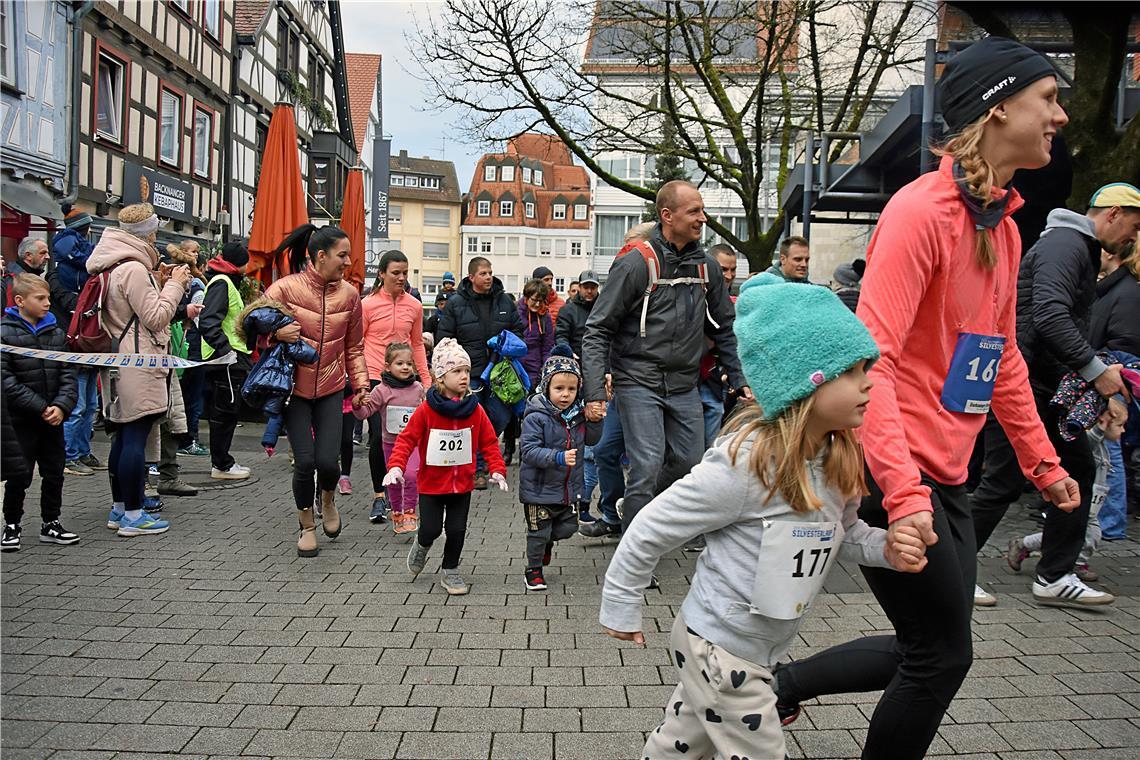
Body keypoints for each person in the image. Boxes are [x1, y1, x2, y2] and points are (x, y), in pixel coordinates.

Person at [771, 38, 1079, 759]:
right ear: (999, 108)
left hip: (949, 472)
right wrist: (905, 497)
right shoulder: (919, 213)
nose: (1060, 116)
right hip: (893, 467)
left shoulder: (1002, 227)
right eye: (1049, 99)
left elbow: (997, 364)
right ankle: (780, 684)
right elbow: (866, 363)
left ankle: (779, 684)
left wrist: (1041, 462)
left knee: (935, 648)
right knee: (942, 657)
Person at [600, 274, 926, 759]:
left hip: (752, 648)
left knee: (681, 745)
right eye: (853, 370)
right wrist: (621, 603)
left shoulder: (838, 459)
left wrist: (886, 549)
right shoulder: (746, 464)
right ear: (806, 382)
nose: (869, 381)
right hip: (720, 649)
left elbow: (845, 533)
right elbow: (652, 523)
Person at [971, 182, 1138, 606]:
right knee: (1003, 481)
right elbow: (1048, 314)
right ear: (1114, 213)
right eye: (1133, 228)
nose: (1132, 240)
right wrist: (1096, 373)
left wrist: (1094, 384)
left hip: (1036, 385)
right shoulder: (1068, 244)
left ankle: (1055, 574)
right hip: (1019, 385)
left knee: (1073, 470)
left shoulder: (1072, 246)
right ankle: (954, 572)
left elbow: (1053, 320)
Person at [581, 180, 747, 540]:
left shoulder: (707, 268)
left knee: (690, 464)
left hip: (684, 382)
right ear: (667, 216)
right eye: (694, 211)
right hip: (638, 379)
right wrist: (594, 390)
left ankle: (639, 509)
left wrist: (739, 378)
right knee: (647, 461)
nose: (703, 219)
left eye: (702, 210)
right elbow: (597, 329)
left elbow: (725, 327)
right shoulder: (636, 263)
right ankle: (635, 550)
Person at [265, 224, 369, 558]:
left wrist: (362, 385)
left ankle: (327, 498)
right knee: (305, 462)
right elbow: (252, 328)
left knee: (328, 462)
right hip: (293, 389)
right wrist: (275, 336)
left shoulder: (351, 296)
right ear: (321, 256)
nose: (348, 262)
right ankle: (307, 526)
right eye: (342, 255)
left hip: (332, 387)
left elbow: (354, 348)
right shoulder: (284, 289)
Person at [88, 203, 190, 538]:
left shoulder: (111, 263)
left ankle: (120, 508)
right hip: (139, 362)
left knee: (121, 436)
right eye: (155, 230)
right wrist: (174, 286)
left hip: (119, 360)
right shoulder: (132, 268)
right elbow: (156, 318)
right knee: (135, 437)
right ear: (147, 233)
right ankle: (133, 514)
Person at [384, 339, 508, 595]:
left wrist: (497, 469)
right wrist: (396, 466)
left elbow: (489, 440)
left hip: (462, 484)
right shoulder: (427, 410)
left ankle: (450, 570)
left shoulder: (475, 409)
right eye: (457, 371)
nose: (464, 377)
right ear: (440, 377)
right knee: (430, 528)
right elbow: (406, 439)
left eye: (466, 371)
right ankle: (422, 545)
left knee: (456, 530)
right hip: (430, 484)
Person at [579, 224, 653, 539]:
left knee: (648, 462)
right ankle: (612, 514)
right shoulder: (623, 274)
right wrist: (604, 373)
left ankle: (644, 523)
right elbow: (603, 330)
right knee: (604, 450)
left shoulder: (655, 278)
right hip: (621, 383)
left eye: (629, 242)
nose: (623, 249)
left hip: (649, 386)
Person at [1008, 397, 1128, 583]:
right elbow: (1091, 441)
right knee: (1077, 532)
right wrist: (1100, 428)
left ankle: (1071, 561)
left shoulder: (1104, 447)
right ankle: (1071, 562)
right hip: (1078, 495)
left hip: (1092, 498)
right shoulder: (1091, 441)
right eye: (1120, 425)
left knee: (1078, 531)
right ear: (1104, 422)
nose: (1123, 430)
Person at [1, 274, 80, 551]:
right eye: (41, 298)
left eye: (48, 297)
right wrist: (40, 406)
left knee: (54, 471)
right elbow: (5, 379)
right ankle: (11, 524)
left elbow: (69, 372)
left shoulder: (56, 333)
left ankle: (51, 522)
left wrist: (61, 406)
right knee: (19, 474)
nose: (48, 303)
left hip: (53, 419)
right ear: (20, 301)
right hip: (20, 420)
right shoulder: (4, 333)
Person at [435, 256, 524, 487]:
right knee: (472, 418)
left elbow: (518, 330)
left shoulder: (504, 301)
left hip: (500, 372)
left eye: (490, 272)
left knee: (501, 416)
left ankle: (483, 454)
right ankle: (477, 468)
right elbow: (444, 337)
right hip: (470, 372)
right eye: (483, 273)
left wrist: (507, 344)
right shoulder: (456, 303)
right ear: (471, 276)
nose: (488, 277)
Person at [519, 346, 602, 590]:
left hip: (567, 489)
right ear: (546, 387)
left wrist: (596, 419)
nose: (565, 395)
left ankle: (546, 542)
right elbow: (528, 451)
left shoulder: (577, 415)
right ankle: (533, 570)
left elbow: (593, 439)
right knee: (537, 533)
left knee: (568, 528)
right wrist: (557, 457)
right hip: (538, 489)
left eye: (571, 389)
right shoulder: (536, 415)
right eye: (559, 388)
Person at [361, 251, 432, 522]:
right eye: (395, 273)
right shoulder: (367, 305)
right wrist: (359, 380)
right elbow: (358, 343)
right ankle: (380, 496)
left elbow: (416, 344)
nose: (402, 277)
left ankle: (400, 491)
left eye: (405, 272)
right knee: (378, 438)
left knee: (403, 437)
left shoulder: (413, 305)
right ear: (382, 274)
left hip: (405, 378)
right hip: (375, 375)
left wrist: (425, 380)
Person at [1089, 243, 1140, 537]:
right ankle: (1106, 519)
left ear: (1110, 253)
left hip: (1115, 367)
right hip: (1116, 363)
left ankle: (1108, 521)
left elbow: (1123, 340)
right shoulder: (1119, 286)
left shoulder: (1123, 289)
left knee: (1108, 444)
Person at [50, 209, 102, 477]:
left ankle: (83, 451)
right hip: (73, 347)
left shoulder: (85, 280)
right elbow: (69, 306)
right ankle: (68, 456)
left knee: (91, 405)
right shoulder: (57, 278)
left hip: (90, 346)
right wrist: (88, 308)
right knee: (78, 405)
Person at [353, 342, 424, 534]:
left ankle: (409, 511)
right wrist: (358, 405)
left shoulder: (418, 388)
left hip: (413, 443)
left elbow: (425, 411)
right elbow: (365, 413)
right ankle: (397, 512)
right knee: (393, 479)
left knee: (410, 475)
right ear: (387, 366)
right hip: (390, 444)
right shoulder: (382, 390)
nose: (405, 367)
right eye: (400, 363)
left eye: (409, 364)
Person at [199, 241, 254, 480]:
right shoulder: (222, 283)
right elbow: (209, 321)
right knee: (224, 412)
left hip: (228, 357)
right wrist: (226, 350)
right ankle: (221, 464)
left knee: (227, 412)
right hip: (225, 359)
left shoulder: (225, 281)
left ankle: (223, 461)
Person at [555, 269, 599, 359]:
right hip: (575, 359)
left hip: (600, 361)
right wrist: (568, 352)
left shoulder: (604, 309)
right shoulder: (567, 310)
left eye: (593, 288)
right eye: (586, 287)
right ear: (580, 287)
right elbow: (561, 335)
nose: (589, 291)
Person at [517, 278, 555, 383]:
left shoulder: (545, 318)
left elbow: (547, 346)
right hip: (515, 365)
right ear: (526, 297)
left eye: (541, 301)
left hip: (534, 367)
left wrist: (544, 368)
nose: (537, 304)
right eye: (534, 300)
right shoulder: (515, 312)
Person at [3, 237, 49, 307]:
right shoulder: (12, 280)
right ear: (28, 256)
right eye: (43, 253)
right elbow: (9, 310)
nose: (48, 257)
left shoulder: (31, 276)